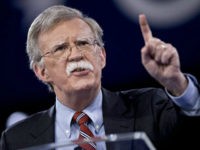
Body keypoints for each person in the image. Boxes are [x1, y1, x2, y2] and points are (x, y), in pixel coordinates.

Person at [1, 5, 200, 150]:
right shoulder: (17, 140)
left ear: (102, 57)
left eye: (84, 43)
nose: (76, 54)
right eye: (60, 48)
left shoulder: (149, 107)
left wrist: (176, 83)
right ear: (41, 72)